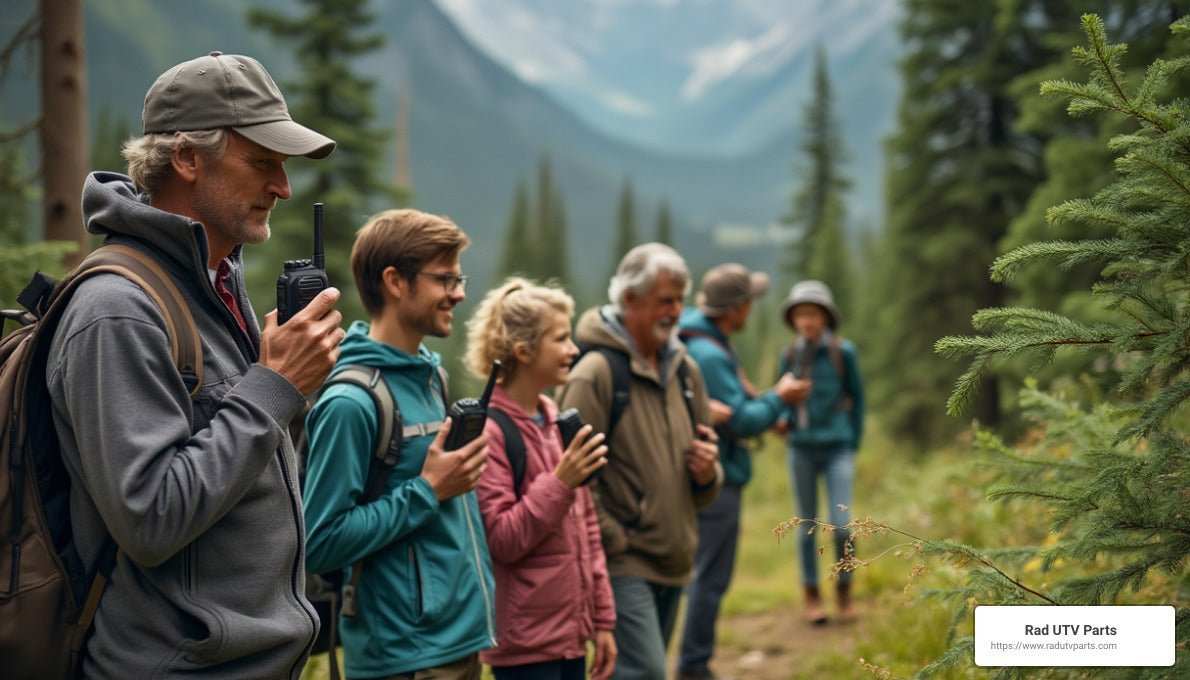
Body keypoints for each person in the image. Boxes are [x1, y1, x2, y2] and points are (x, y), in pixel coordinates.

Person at [46, 52, 340, 677]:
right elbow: (150, 518)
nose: (283, 188)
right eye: (263, 162)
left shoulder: (216, 282)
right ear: (186, 158)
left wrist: (286, 390)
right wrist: (276, 385)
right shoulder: (117, 311)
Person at [303, 209, 495, 680]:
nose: (459, 293)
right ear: (395, 281)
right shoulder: (351, 402)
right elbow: (319, 542)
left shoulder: (432, 378)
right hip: (404, 659)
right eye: (444, 280)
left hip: (459, 643)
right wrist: (428, 491)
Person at [557, 242, 723, 680]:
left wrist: (709, 473)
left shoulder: (685, 370)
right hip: (624, 561)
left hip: (675, 555)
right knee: (645, 671)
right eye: (664, 300)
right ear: (629, 299)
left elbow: (708, 465)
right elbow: (566, 474)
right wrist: (616, 538)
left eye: (680, 300)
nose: (675, 311)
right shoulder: (594, 374)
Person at [465, 278, 618, 680]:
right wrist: (560, 482)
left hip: (570, 636)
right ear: (523, 351)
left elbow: (587, 529)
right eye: (561, 339)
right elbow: (502, 539)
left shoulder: (554, 417)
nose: (573, 350)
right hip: (524, 647)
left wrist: (602, 621)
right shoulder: (490, 431)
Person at [675, 264, 811, 680]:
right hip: (718, 478)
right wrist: (780, 399)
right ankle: (694, 666)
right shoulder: (710, 354)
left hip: (707, 472)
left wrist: (765, 407)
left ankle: (691, 660)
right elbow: (741, 420)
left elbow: (735, 407)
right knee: (710, 577)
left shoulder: (701, 339)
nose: (752, 308)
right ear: (734, 308)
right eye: (749, 300)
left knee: (702, 573)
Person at [776, 280, 865, 625]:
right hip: (801, 449)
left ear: (825, 317)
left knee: (842, 524)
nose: (806, 322)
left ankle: (844, 589)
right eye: (800, 315)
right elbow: (780, 399)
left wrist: (852, 442)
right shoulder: (789, 355)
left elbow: (858, 399)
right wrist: (782, 421)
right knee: (806, 524)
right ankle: (812, 595)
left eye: (812, 314)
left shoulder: (844, 353)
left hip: (838, 449)